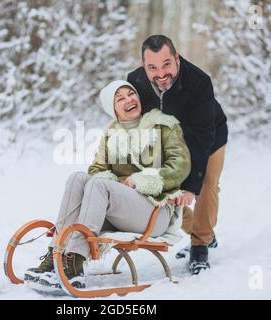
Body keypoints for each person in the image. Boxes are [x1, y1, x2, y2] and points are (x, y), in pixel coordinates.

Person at [24, 80, 191, 288]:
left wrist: (141, 181)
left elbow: (180, 165)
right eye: (120, 98)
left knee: (98, 185)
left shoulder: (162, 125)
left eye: (131, 94)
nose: (129, 99)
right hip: (122, 213)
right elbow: (95, 170)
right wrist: (122, 184)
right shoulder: (112, 135)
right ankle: (56, 254)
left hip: (155, 211)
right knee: (78, 178)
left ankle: (75, 262)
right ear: (113, 110)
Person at [127, 35, 228, 275]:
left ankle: (200, 245)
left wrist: (191, 186)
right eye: (152, 67)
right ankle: (203, 232)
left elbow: (202, 136)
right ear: (143, 66)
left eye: (166, 65)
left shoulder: (199, 82)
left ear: (176, 58)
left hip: (209, 137)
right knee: (166, 191)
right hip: (168, 142)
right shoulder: (135, 81)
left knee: (206, 184)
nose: (161, 74)